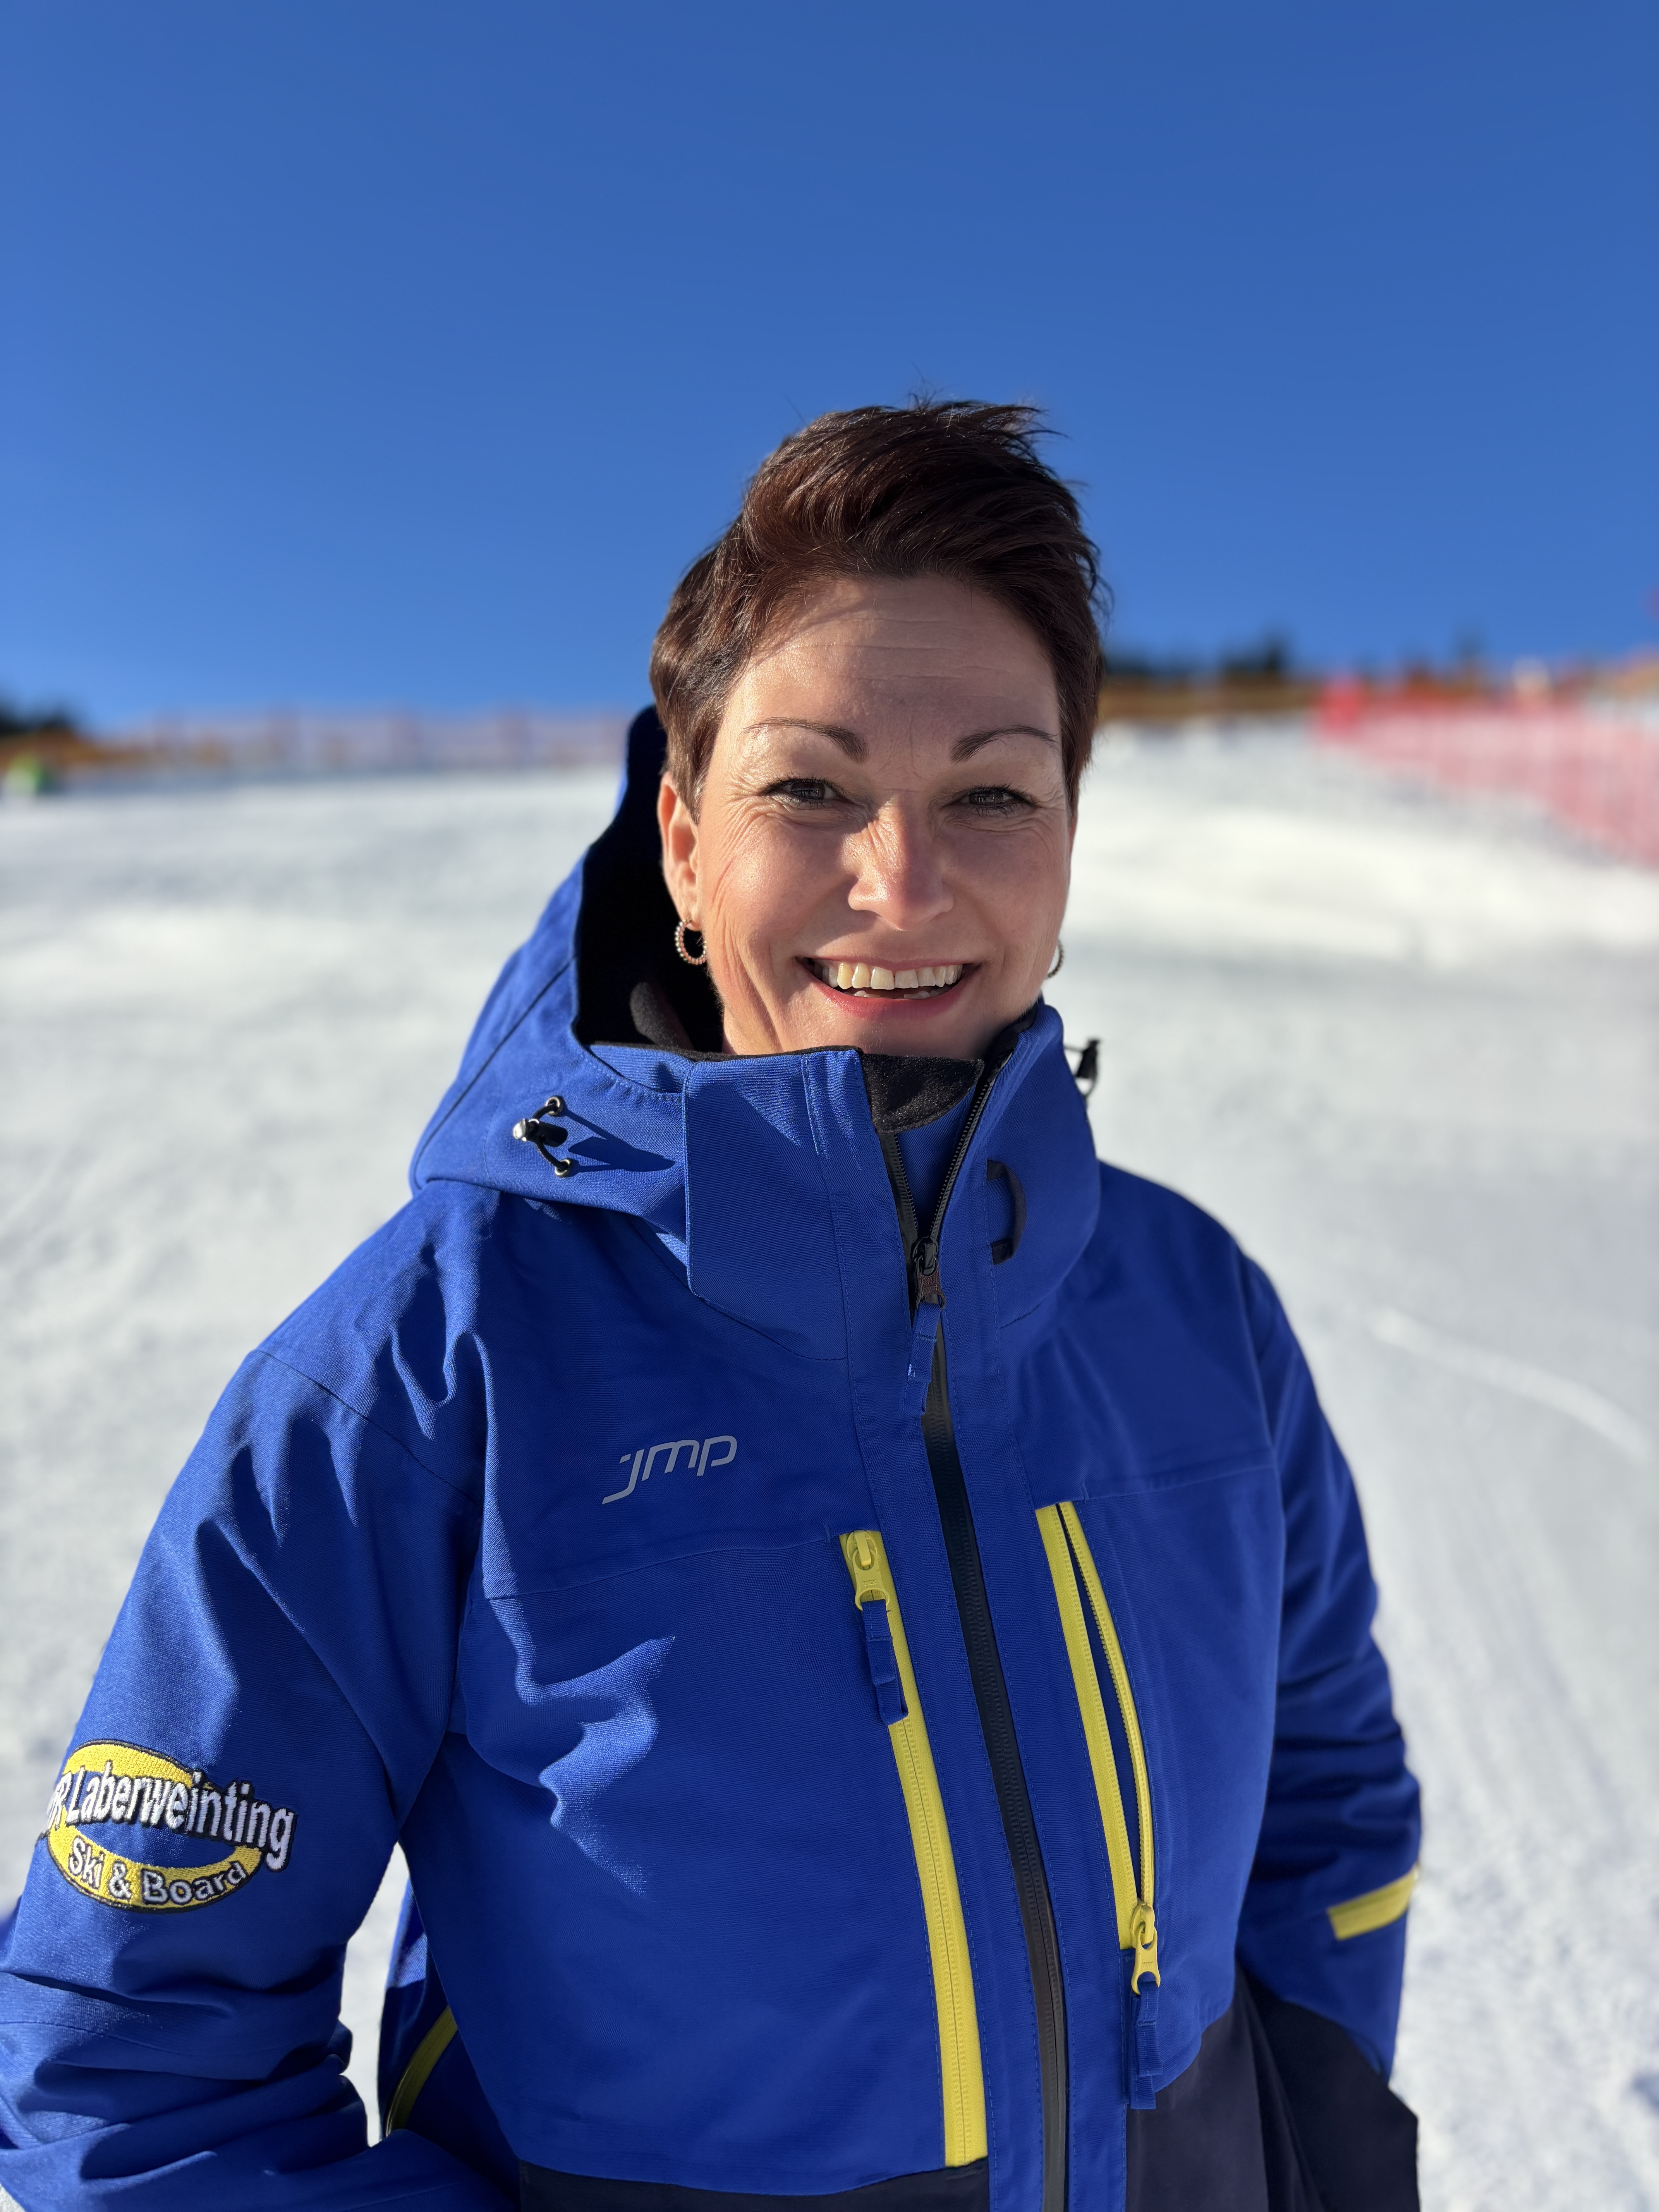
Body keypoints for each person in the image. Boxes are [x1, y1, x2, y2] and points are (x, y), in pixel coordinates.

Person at [0, 402, 1420, 2212]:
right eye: (810, 789)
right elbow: (136, 2068)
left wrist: (1323, 2154)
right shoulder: (436, 1367)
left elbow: (1330, 1795)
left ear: (1070, 840)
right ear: (681, 841)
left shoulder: (1196, 1313)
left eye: (992, 792)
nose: (902, 882)